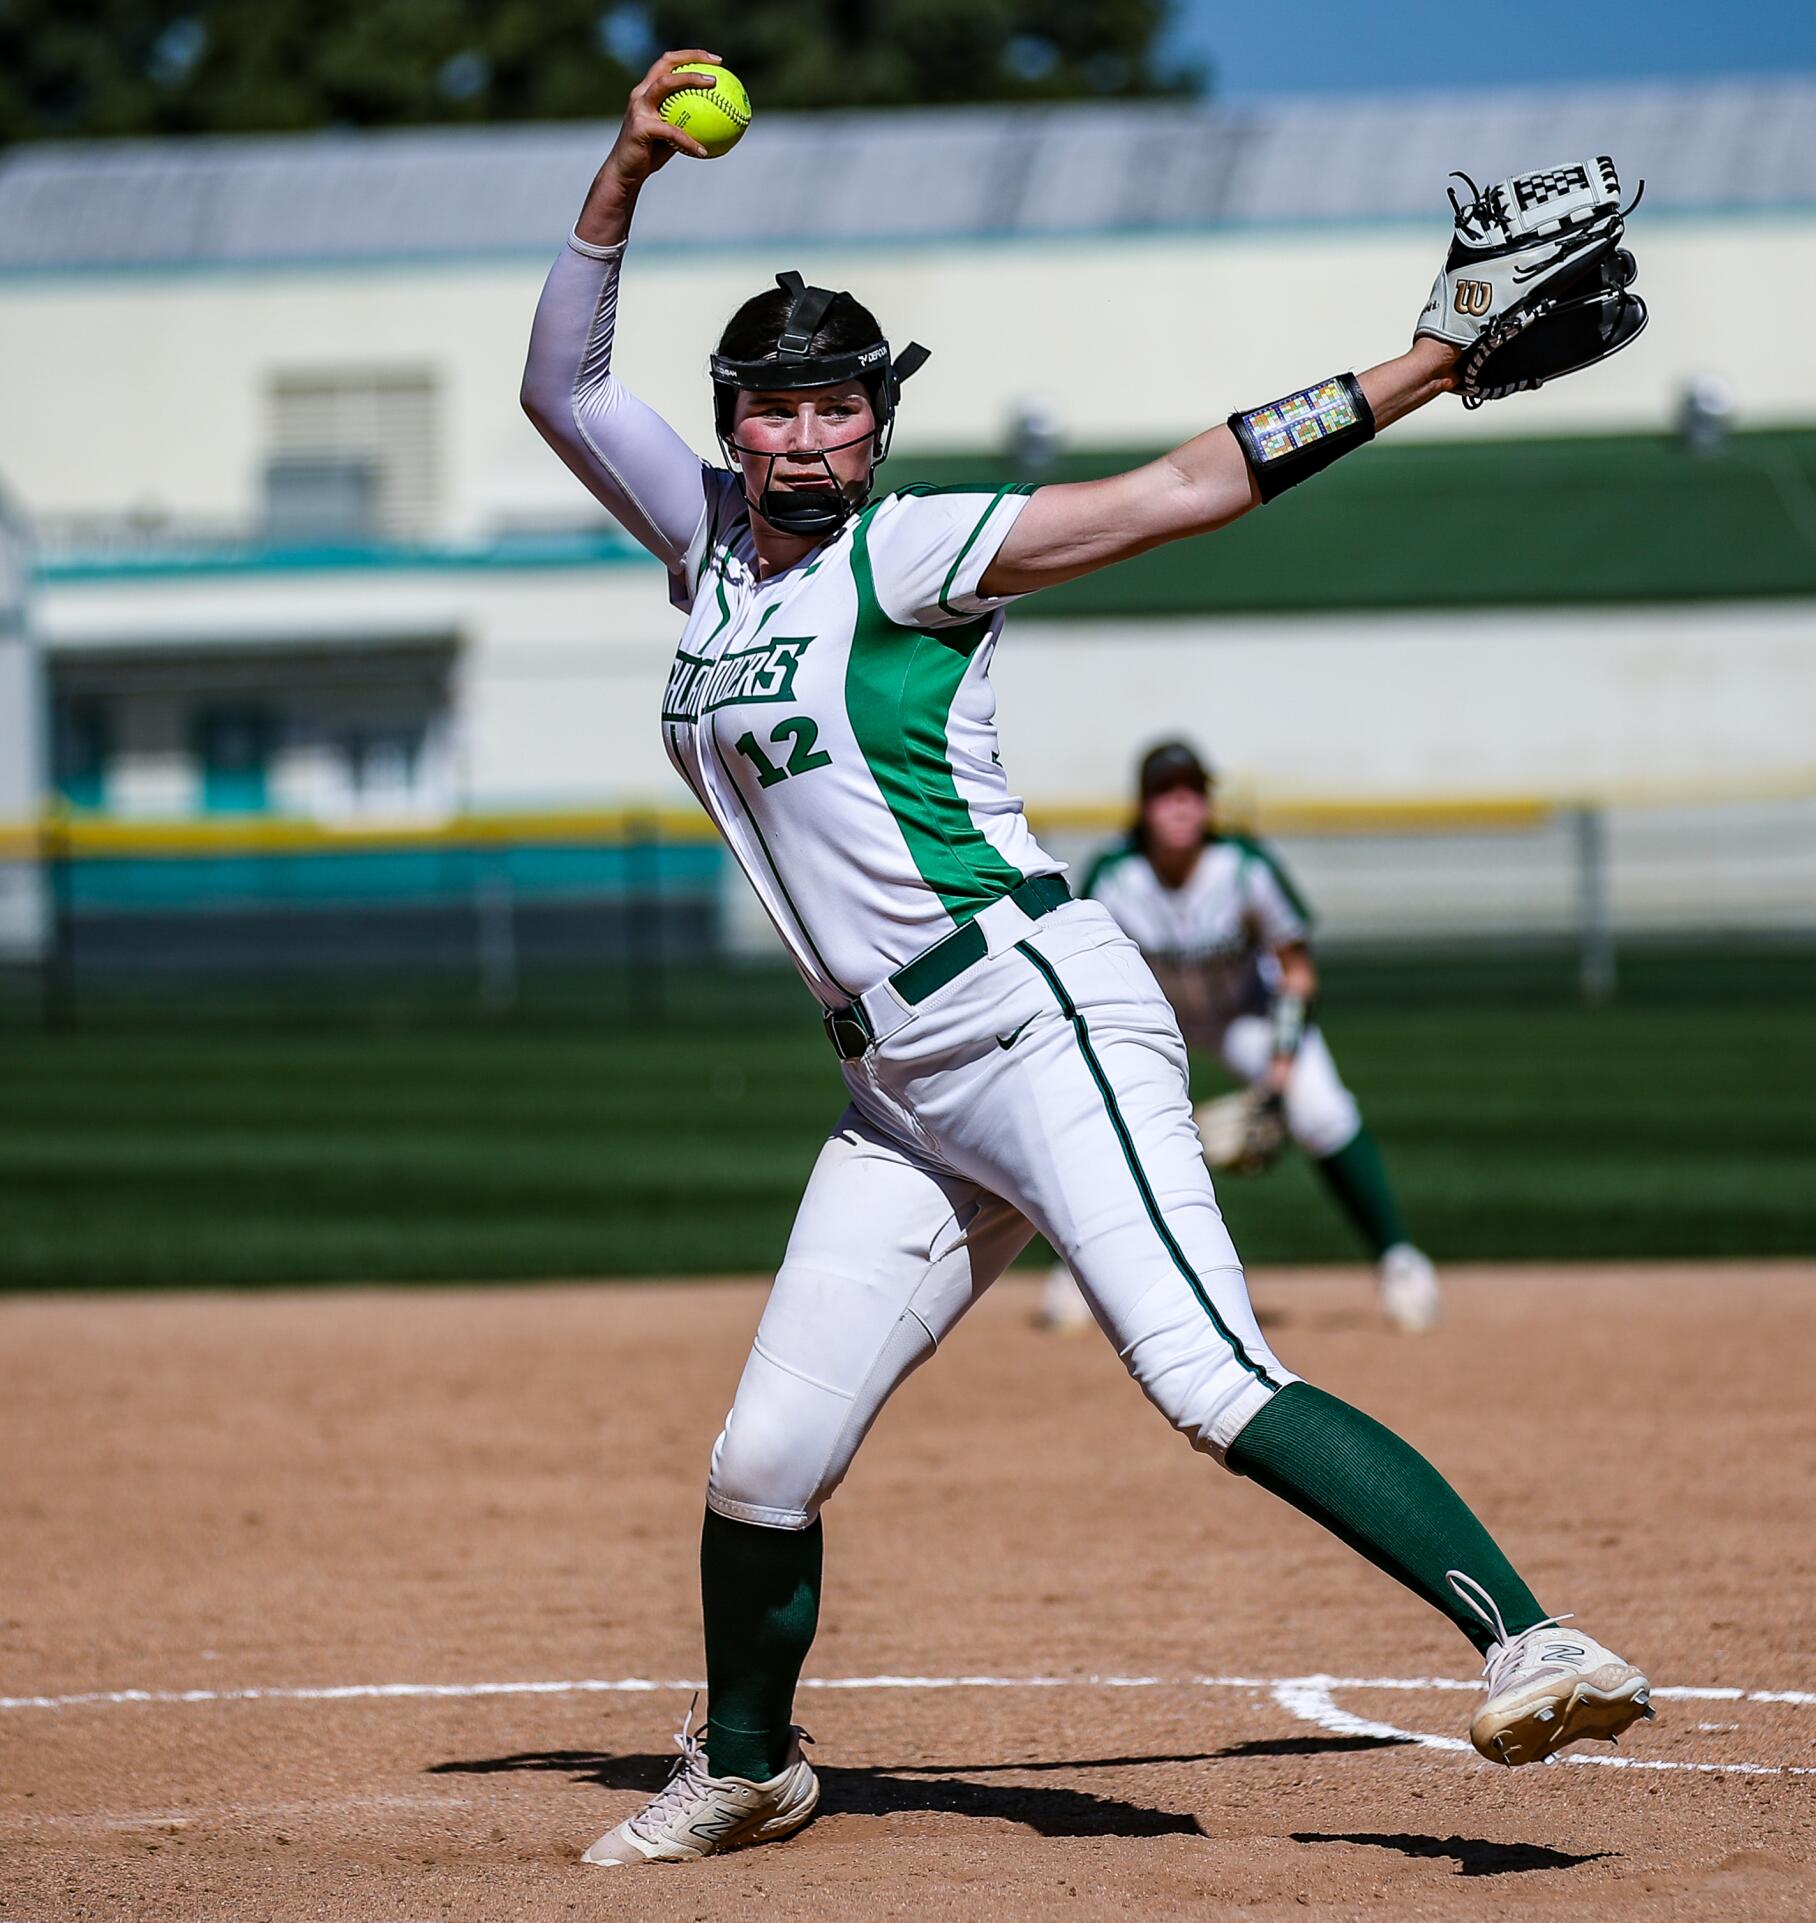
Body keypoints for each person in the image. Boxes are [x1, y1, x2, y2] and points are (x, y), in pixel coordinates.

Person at [522, 48, 1653, 1870]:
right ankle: (747, 1763)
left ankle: (1531, 1634)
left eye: (834, 407)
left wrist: (1430, 360)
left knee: (1208, 1376)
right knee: (761, 1465)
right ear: (730, 423)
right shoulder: (704, 552)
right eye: (770, 409)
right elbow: (560, 380)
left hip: (1030, 1011)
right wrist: (627, 165)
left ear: (878, 422)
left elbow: (1185, 486)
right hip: (893, 1091)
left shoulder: (915, 549)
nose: (802, 436)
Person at [1040, 740, 1441, 1336]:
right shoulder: (1115, 877)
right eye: (1167, 794)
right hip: (1156, 1016)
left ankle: (1399, 1260)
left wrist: (1279, 1072)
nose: (1182, 806)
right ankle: (1078, 1270)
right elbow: (1080, 971)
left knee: (1322, 1109)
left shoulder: (1244, 868)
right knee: (1104, 1125)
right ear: (1144, 807)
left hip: (1242, 1013)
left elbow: (1297, 973)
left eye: (1193, 793)